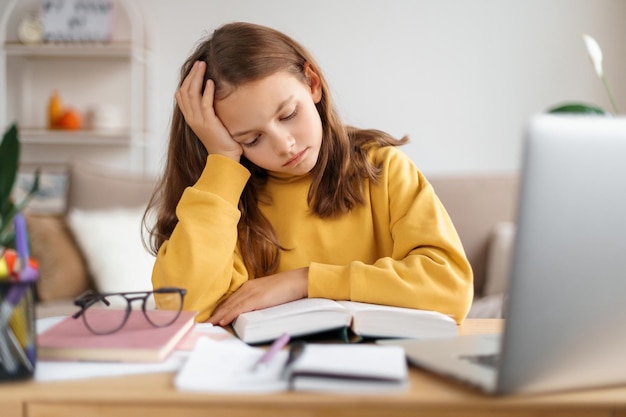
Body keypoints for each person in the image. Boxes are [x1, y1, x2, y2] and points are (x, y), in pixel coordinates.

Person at [146, 22, 473, 327]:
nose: (284, 145)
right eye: (252, 139)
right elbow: (182, 310)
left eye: (288, 114)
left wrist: (303, 282)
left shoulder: (383, 169)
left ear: (312, 83)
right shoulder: (230, 198)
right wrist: (222, 163)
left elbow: (450, 288)